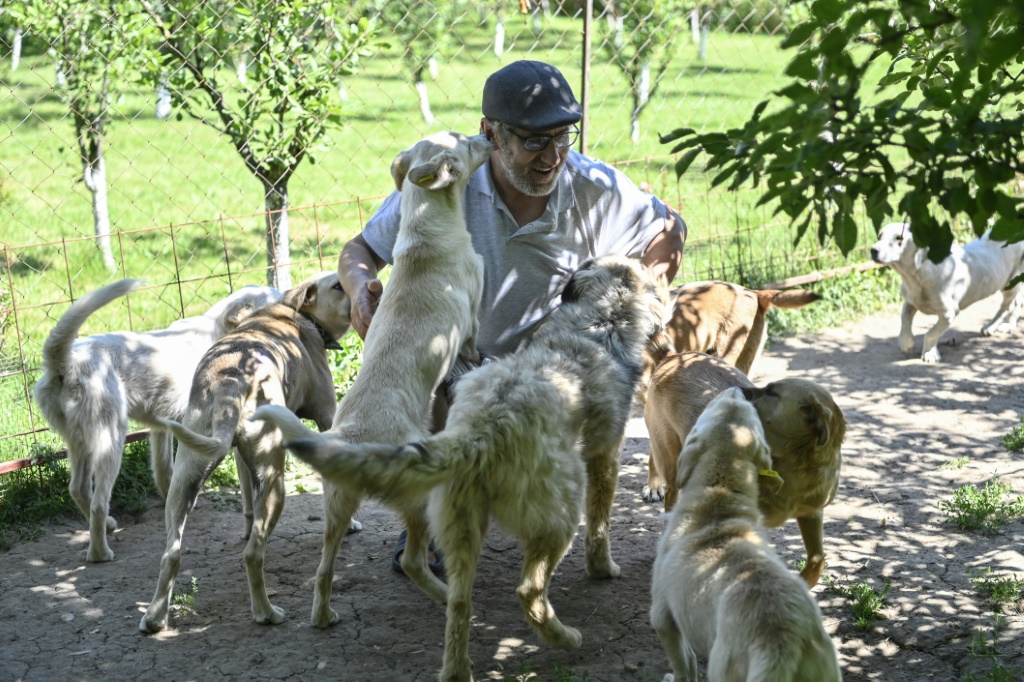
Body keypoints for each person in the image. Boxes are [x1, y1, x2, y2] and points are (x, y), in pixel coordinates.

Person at [337, 59, 686, 574]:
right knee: (434, 367)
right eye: (533, 141)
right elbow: (362, 248)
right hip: (461, 360)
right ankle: (438, 522)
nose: (552, 156)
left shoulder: (596, 189)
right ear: (490, 134)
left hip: (548, 368)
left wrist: (647, 286)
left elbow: (669, 228)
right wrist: (359, 291)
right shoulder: (447, 179)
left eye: (563, 137)